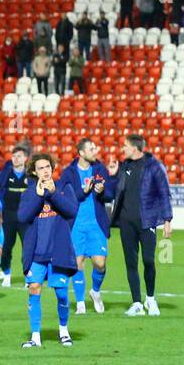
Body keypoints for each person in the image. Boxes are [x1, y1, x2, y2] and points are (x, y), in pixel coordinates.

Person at [105, 134, 172, 317]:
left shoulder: (155, 167)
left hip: (147, 221)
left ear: (135, 148)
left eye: (125, 146)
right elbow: (113, 192)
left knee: (149, 261)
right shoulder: (124, 166)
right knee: (131, 262)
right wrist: (112, 176)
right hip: (126, 223)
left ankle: (150, 299)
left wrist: (167, 220)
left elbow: (164, 193)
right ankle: (136, 303)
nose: (123, 149)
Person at [17, 153, 79, 348]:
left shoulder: (63, 189)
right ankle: (35, 336)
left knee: (61, 293)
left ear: (52, 168)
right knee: (34, 289)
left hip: (58, 251)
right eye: (40, 168)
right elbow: (23, 216)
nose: (44, 170)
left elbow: (72, 211)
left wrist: (52, 193)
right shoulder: (29, 193)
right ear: (34, 172)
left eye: (47, 167)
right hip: (36, 253)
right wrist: (39, 195)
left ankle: (63, 331)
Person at [58, 138, 109, 316]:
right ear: (81, 153)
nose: (95, 151)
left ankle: (95, 291)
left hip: (96, 225)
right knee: (78, 263)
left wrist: (102, 192)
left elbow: (110, 193)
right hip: (76, 225)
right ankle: (80, 303)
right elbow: (62, 196)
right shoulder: (68, 173)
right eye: (91, 148)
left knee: (100, 263)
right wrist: (83, 192)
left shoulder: (100, 169)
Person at [0, 144, 30, 286]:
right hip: (8, 216)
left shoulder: (31, 176)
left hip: (26, 217)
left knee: (28, 247)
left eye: (19, 156)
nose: (15, 159)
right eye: (14, 156)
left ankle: (28, 276)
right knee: (7, 246)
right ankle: (6, 274)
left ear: (25, 158)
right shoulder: (5, 174)